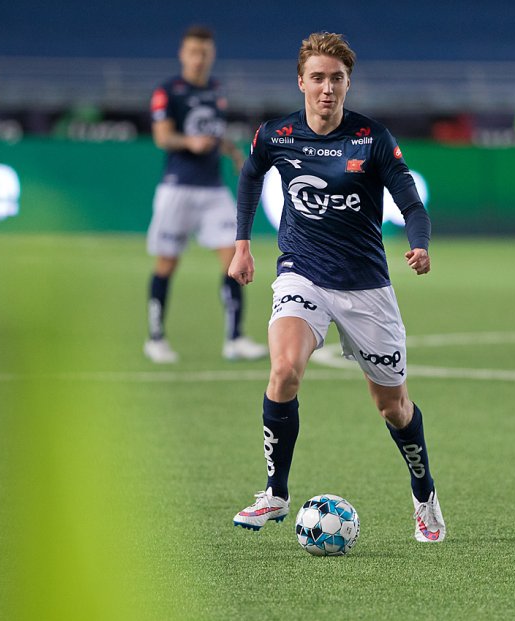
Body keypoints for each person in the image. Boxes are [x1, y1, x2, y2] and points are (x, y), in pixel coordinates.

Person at [228, 32, 444, 542]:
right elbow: (250, 175)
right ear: (301, 81)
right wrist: (242, 243)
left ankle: (424, 494)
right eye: (318, 78)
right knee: (283, 370)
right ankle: (275, 494)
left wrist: (420, 243)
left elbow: (411, 203)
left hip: (366, 288)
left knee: (393, 408)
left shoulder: (372, 138)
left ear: (349, 83)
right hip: (302, 272)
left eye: (337, 79)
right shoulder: (276, 135)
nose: (327, 88)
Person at [144, 25, 267, 363]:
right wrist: (188, 142)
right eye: (193, 52)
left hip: (213, 189)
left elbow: (213, 133)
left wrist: (231, 150)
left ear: (211, 56)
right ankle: (156, 338)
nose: (199, 59)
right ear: (183, 54)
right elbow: (161, 137)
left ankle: (235, 338)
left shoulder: (216, 91)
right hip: (178, 186)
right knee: (167, 263)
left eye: (205, 53)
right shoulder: (168, 91)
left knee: (234, 261)